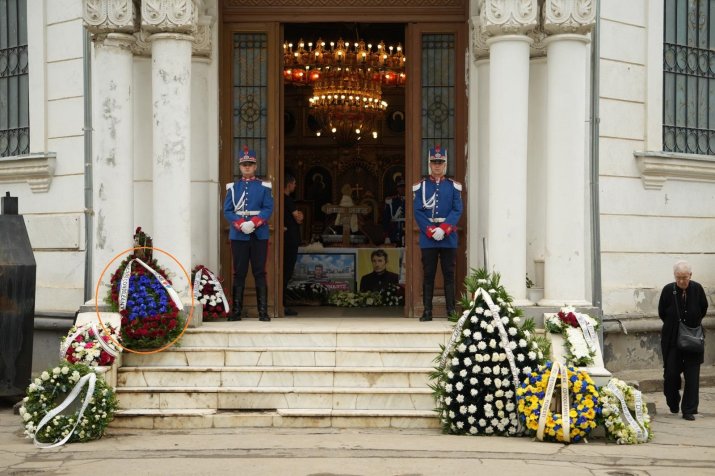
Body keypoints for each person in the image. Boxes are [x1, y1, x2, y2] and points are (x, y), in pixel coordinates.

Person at [412, 145, 463, 321]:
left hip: (448, 237)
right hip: (429, 238)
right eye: (434, 162)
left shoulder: (454, 187)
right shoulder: (421, 187)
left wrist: (444, 228)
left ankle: (451, 311)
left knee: (449, 274)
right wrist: (432, 230)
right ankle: (427, 311)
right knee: (429, 274)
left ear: (445, 164)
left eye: (440, 162)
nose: (437, 166)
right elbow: (418, 211)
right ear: (429, 164)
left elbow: (457, 210)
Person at [223, 146, 274, 322]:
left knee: (260, 272)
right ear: (239, 167)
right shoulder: (233, 188)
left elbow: (268, 208)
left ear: (255, 166)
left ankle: (263, 312)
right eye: (244, 164)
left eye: (250, 164)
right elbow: (227, 210)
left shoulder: (264, 187)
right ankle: (236, 312)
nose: (246, 167)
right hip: (239, 235)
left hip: (259, 233)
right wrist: (240, 224)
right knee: (239, 273)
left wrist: (253, 223)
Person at [658, 260, 708, 421]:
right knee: (671, 374)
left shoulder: (697, 289)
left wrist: (690, 325)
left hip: (693, 338)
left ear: (690, 276)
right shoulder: (668, 290)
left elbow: (703, 308)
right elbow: (662, 312)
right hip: (672, 340)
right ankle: (673, 401)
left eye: (684, 277)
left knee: (692, 376)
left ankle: (689, 409)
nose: (681, 281)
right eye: (678, 277)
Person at [283, 174, 303, 316]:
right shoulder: (288, 200)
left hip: (286, 239)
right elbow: (298, 217)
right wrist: (300, 215)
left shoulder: (279, 199)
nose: (295, 186)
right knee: (286, 272)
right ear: (288, 184)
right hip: (289, 240)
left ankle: (282, 303)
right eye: (294, 183)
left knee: (284, 272)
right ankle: (282, 304)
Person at [383, 179, 406, 246]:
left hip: (408, 230)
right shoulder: (391, 201)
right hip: (394, 231)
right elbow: (386, 218)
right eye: (400, 187)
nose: (402, 189)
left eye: (404, 187)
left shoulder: (413, 200)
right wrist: (386, 235)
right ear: (397, 188)